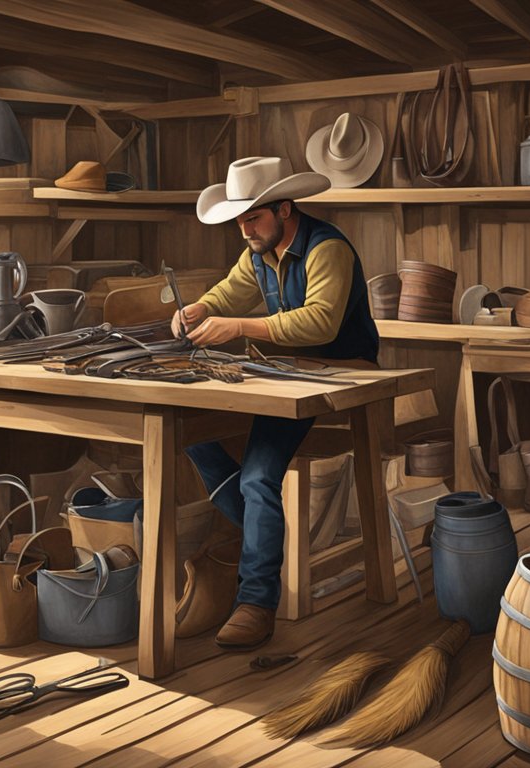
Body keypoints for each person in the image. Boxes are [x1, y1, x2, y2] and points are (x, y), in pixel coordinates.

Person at [177, 156, 379, 651]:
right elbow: (231, 290)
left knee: (257, 476)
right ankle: (263, 540)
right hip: (287, 372)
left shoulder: (326, 249)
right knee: (189, 433)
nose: (244, 229)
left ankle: (257, 601)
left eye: (253, 217)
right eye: (240, 219)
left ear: (285, 208)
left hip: (340, 370)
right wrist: (201, 307)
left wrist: (240, 327)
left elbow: (320, 324)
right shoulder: (258, 252)